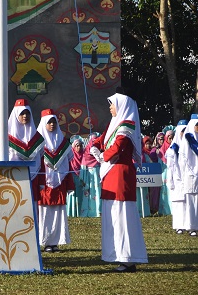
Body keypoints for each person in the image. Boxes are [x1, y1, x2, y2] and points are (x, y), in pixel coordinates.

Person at [90, 90, 148, 272]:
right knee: (113, 215)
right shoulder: (113, 125)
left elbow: (117, 148)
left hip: (120, 175)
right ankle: (117, 254)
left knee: (123, 215)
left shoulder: (127, 126)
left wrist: (102, 156)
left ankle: (128, 258)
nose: (110, 107)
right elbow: (102, 141)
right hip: (110, 175)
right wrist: (94, 146)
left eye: (112, 104)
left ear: (121, 106)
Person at [36, 109, 74, 252]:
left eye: (54, 122)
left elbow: (68, 163)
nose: (52, 125)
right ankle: (45, 241)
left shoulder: (63, 142)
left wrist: (69, 182)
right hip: (44, 182)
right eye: (49, 122)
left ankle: (55, 242)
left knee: (58, 213)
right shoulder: (38, 142)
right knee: (45, 212)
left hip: (59, 181)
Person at [7, 99, 44, 204]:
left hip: (33, 179)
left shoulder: (37, 138)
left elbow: (41, 162)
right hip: (12, 178)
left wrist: (41, 182)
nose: (25, 116)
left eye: (27, 113)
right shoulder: (6, 137)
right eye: (22, 113)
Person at [166, 120, 188, 234]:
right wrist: (170, 182)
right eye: (182, 131)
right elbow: (170, 168)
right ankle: (179, 225)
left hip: (187, 180)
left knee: (188, 203)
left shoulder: (190, 146)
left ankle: (189, 224)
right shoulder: (172, 149)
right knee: (178, 204)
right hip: (177, 180)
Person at [178, 114, 198, 237]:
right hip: (190, 175)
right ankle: (191, 227)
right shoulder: (188, 139)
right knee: (191, 202)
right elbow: (183, 159)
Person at [80, 132, 102, 217]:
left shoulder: (98, 152)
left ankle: (98, 211)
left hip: (97, 174)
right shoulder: (87, 152)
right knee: (90, 192)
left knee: (97, 191)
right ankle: (92, 211)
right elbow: (83, 164)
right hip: (90, 175)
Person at [67, 136, 84, 217]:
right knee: (72, 195)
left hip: (81, 177)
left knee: (80, 194)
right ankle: (72, 213)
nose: (79, 147)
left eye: (80, 145)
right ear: (73, 147)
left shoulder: (84, 155)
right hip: (72, 176)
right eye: (77, 146)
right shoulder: (71, 155)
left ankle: (80, 212)